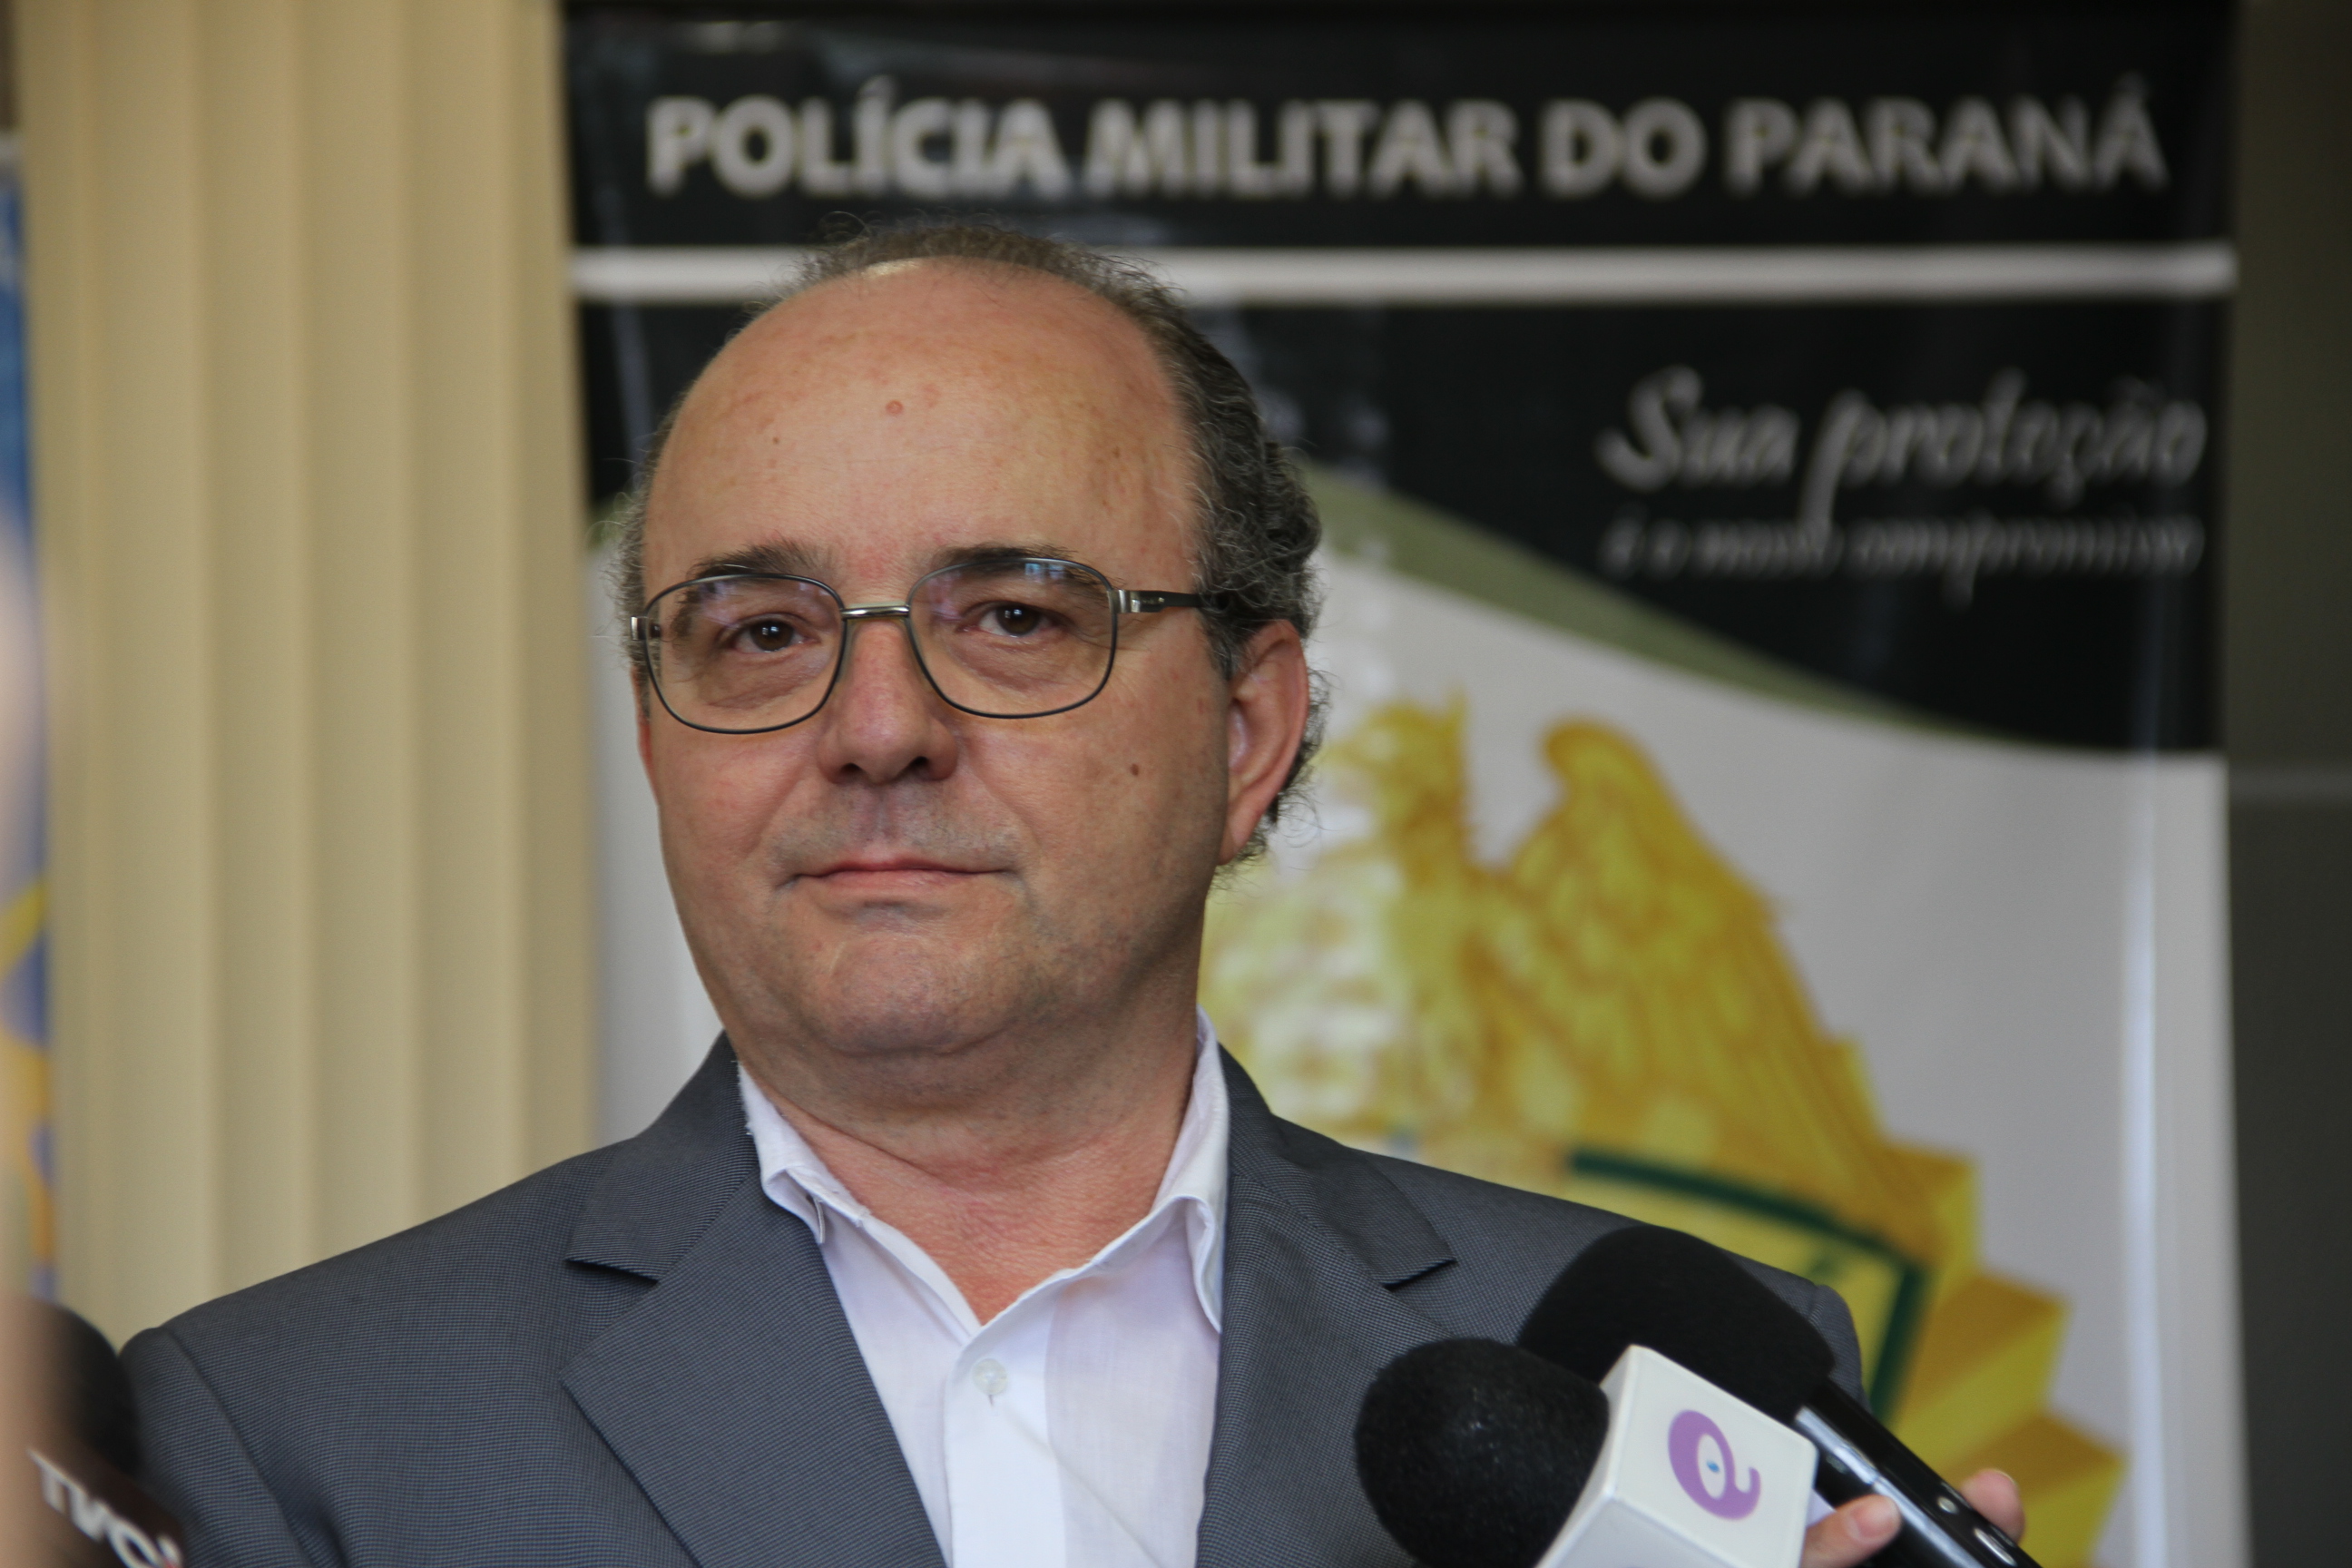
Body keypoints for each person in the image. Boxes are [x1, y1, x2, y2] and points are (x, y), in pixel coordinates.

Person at [124, 225, 2022, 1568]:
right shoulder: (290, 1433)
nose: (877, 728)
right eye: (762, 630)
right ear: (654, 733)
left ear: (1249, 731)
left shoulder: (1663, 1387)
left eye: (1016, 618)